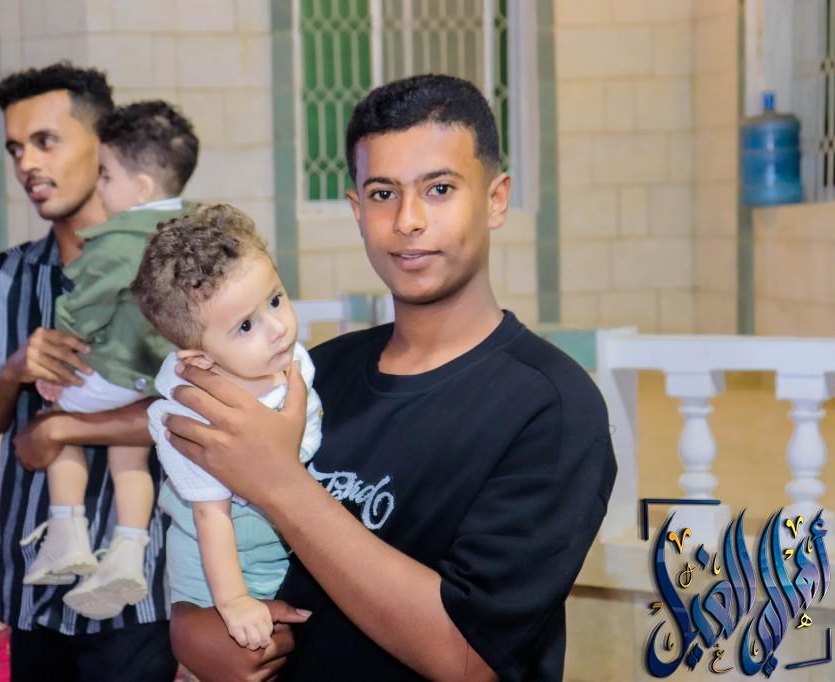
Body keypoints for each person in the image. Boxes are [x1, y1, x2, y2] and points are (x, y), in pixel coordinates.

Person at [163, 74, 618, 681]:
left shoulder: (552, 408)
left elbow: (468, 659)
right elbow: (202, 523)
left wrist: (280, 483)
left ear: (495, 199)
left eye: (439, 189)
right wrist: (189, 628)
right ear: (357, 210)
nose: (407, 219)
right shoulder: (312, 372)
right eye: (382, 193)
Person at [0, 63, 178, 681]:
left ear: (103, 147)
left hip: (143, 591)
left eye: (45, 141)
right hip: (35, 590)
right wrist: (13, 373)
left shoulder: (169, 268)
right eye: (16, 149)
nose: (27, 163)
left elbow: (199, 411)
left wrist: (61, 430)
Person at [21, 100, 199, 624]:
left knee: (57, 421)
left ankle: (67, 533)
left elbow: (86, 305)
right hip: (161, 374)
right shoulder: (193, 228)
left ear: (140, 188)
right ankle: (127, 549)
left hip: (115, 368)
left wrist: (61, 356)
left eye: (106, 175)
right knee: (128, 455)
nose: (99, 187)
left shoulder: (118, 241)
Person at [133, 205, 322, 651]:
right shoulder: (195, 418)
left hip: (285, 548)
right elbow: (210, 516)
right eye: (245, 326)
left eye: (275, 300)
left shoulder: (289, 359)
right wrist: (234, 601)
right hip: (221, 573)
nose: (277, 329)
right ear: (199, 359)